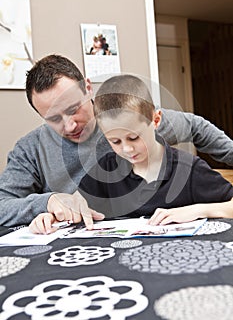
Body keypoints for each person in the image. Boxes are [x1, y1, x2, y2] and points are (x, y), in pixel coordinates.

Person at [0, 54, 232, 229]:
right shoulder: (30, 149)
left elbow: (195, 127)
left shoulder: (128, 118)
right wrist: (47, 202)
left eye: (74, 109)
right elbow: (3, 204)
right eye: (53, 118)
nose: (69, 125)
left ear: (87, 89)